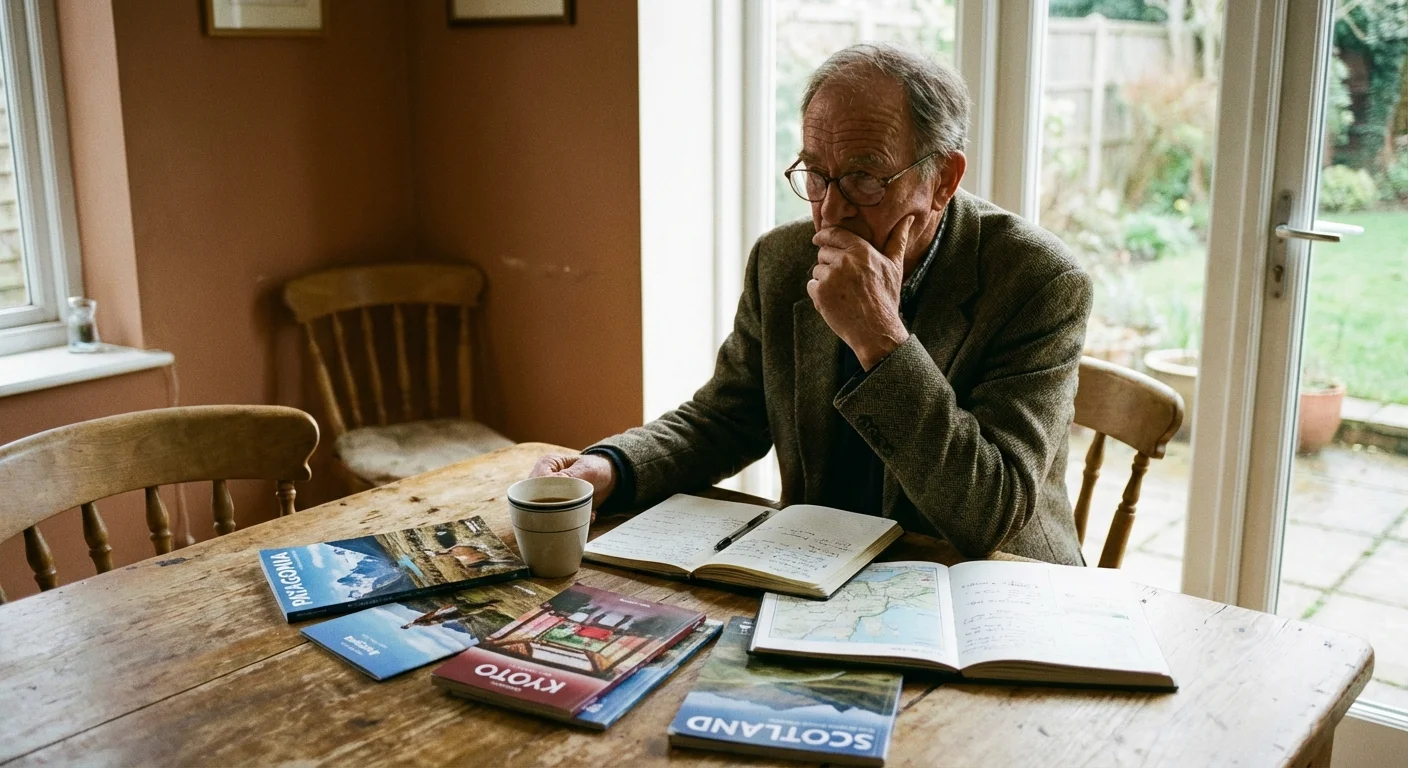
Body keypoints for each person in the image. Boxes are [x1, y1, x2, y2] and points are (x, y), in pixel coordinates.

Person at [531, 43, 1092, 564]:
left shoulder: (1039, 280)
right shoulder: (782, 261)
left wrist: (880, 338)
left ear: (942, 179)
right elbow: (726, 419)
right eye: (816, 176)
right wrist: (611, 467)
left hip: (993, 584)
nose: (831, 212)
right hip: (824, 571)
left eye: (866, 179)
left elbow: (989, 513)